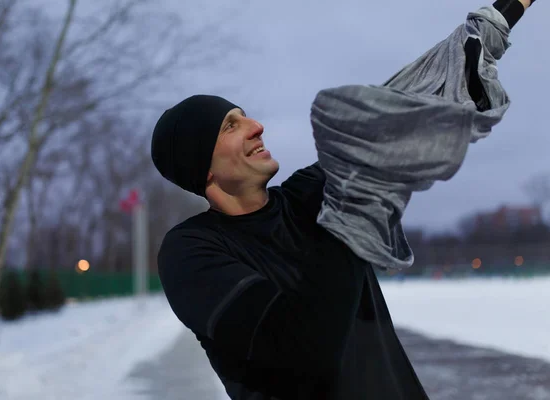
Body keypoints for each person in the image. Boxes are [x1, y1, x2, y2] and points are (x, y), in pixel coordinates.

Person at [151, 1, 535, 398]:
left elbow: (399, 107)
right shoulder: (191, 251)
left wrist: (499, 18)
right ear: (202, 165)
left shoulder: (307, 195)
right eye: (231, 125)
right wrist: (354, 204)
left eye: (246, 115)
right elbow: (299, 353)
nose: (257, 126)